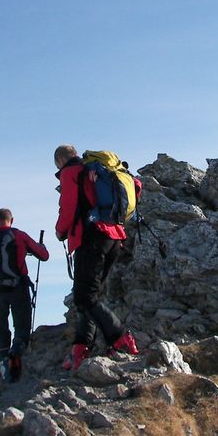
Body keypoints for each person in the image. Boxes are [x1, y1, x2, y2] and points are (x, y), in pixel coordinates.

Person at [54, 144, 140, 371]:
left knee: (84, 296)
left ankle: (120, 337)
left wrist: (60, 230)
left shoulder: (71, 172)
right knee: (88, 295)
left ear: (61, 160)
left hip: (91, 237)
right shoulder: (96, 170)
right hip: (114, 237)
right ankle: (81, 346)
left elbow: (69, 207)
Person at [0, 208, 48, 382]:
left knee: (0, 330)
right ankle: (17, 354)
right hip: (18, 288)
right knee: (21, 326)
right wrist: (39, 247)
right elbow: (44, 255)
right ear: (11, 220)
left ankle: (4, 364)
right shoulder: (19, 236)